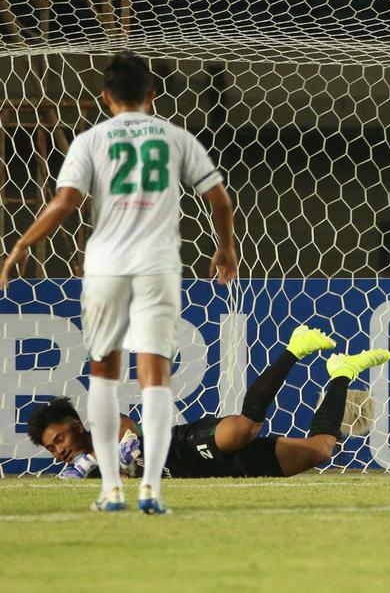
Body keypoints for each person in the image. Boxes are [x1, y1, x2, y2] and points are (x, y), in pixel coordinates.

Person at [1, 51, 238, 514]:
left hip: (106, 268)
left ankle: (111, 488)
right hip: (157, 267)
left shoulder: (91, 140)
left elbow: (64, 203)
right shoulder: (176, 138)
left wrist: (22, 245)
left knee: (104, 379)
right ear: (152, 94)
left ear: (105, 97)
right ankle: (150, 488)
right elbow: (220, 201)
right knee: (155, 379)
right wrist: (224, 247)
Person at [27, 325, 390, 482]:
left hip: (184, 450)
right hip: (214, 476)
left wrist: (102, 466)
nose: (58, 451)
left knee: (242, 430)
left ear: (76, 424)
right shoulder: (76, 471)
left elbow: (131, 441)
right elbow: (73, 482)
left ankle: (295, 347)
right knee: (321, 450)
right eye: (51, 448)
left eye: (58, 439)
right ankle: (343, 372)